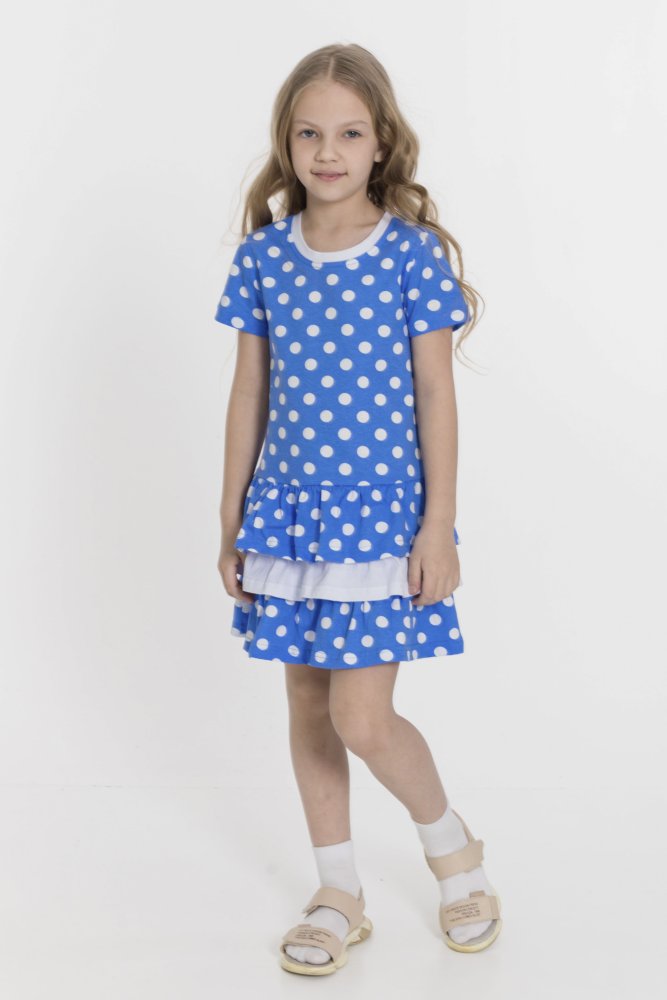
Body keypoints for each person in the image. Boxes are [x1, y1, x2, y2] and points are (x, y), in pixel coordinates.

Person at [214, 43, 502, 976]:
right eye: (309, 134)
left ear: (380, 144)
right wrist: (230, 520)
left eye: (347, 133)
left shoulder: (409, 256)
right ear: (286, 144)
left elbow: (436, 395)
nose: (327, 152)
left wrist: (436, 524)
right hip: (288, 517)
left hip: (380, 521)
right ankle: (337, 890)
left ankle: (453, 852)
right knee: (307, 704)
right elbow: (249, 392)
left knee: (362, 717)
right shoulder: (265, 257)